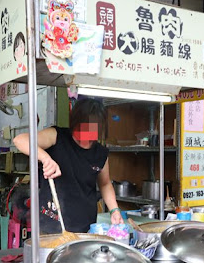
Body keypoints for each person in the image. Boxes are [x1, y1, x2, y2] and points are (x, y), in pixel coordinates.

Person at [13, 98, 124, 234]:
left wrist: (115, 210)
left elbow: (105, 184)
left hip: (84, 227)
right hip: (51, 224)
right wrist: (46, 159)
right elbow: (20, 140)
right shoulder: (57, 136)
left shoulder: (100, 153)